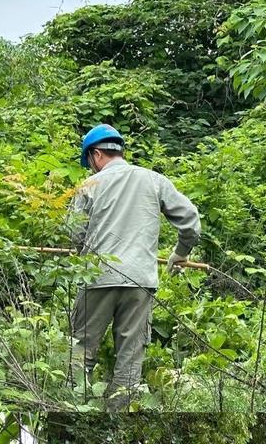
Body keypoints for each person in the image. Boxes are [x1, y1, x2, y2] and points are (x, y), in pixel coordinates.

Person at [68, 123, 201, 410]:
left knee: (80, 354)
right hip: (140, 282)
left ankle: (72, 414)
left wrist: (84, 251)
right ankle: (115, 425)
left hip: (97, 278)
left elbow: (74, 234)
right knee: (129, 364)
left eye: (89, 162)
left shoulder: (90, 186)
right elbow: (190, 221)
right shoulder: (154, 180)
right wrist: (180, 253)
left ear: (96, 155)